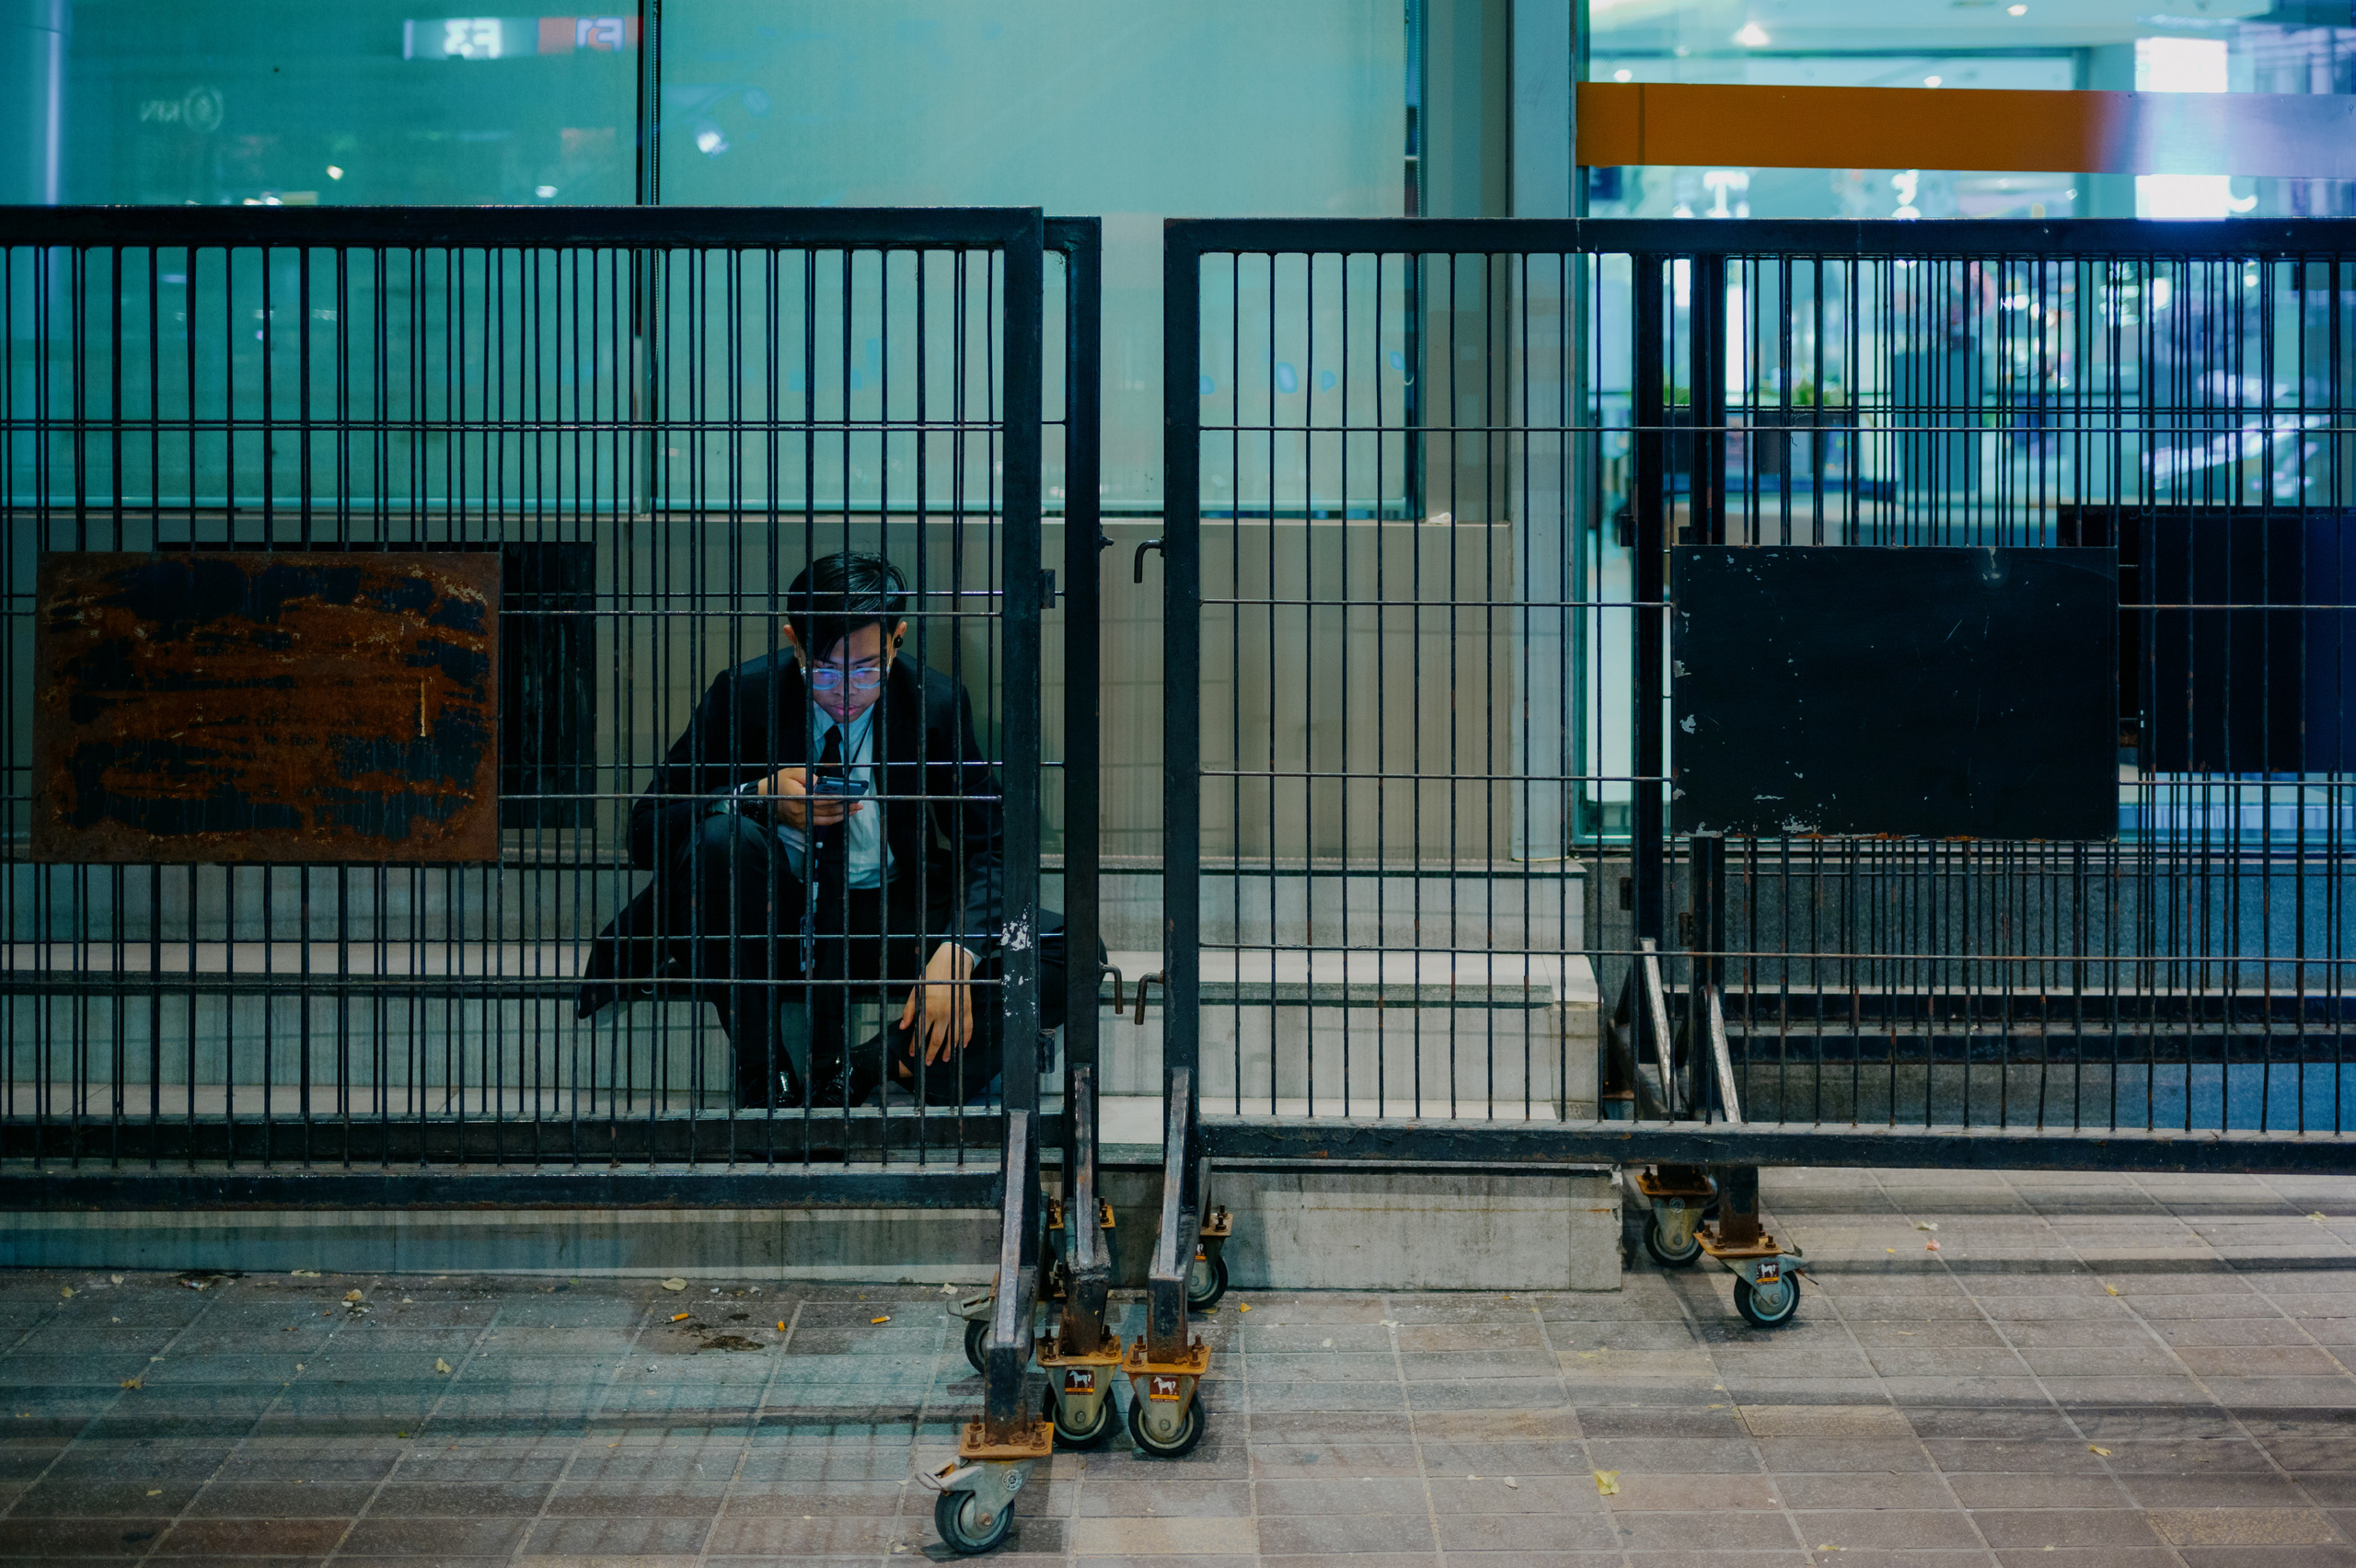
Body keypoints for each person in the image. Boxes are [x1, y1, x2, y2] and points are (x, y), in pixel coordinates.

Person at [578, 551, 1045, 1110]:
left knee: (1072, 954)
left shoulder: (935, 704)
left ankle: (871, 1061)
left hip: (884, 910)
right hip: (768, 918)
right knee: (719, 839)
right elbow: (646, 830)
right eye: (824, 669)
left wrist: (959, 951)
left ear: (897, 640)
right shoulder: (744, 696)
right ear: (795, 641)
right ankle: (764, 1075)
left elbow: (991, 844)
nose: (845, 691)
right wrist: (755, 798)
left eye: (867, 669)